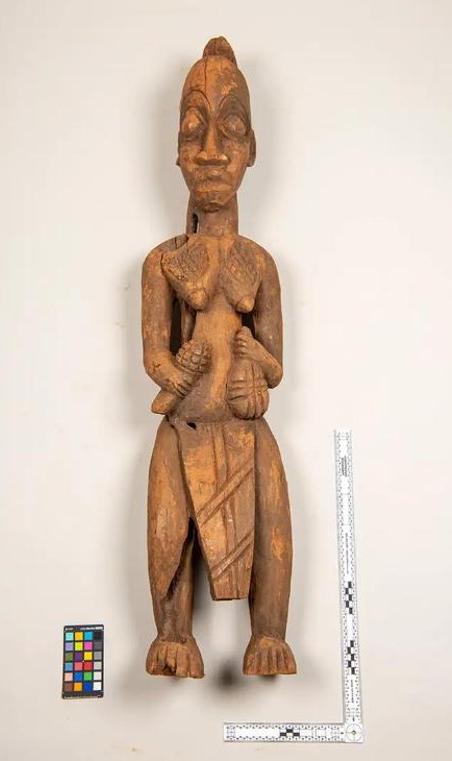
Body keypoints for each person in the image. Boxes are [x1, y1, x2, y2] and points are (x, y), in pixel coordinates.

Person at [142, 37, 297, 677]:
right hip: (183, 426)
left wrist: (256, 362)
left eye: (230, 129)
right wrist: (174, 373)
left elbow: (277, 364)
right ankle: (174, 636)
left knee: (273, 520)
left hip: (246, 428)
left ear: (250, 148)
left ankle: (269, 636)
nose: (210, 150)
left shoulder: (259, 263)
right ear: (178, 150)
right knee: (167, 532)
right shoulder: (163, 262)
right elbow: (153, 355)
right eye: (192, 130)